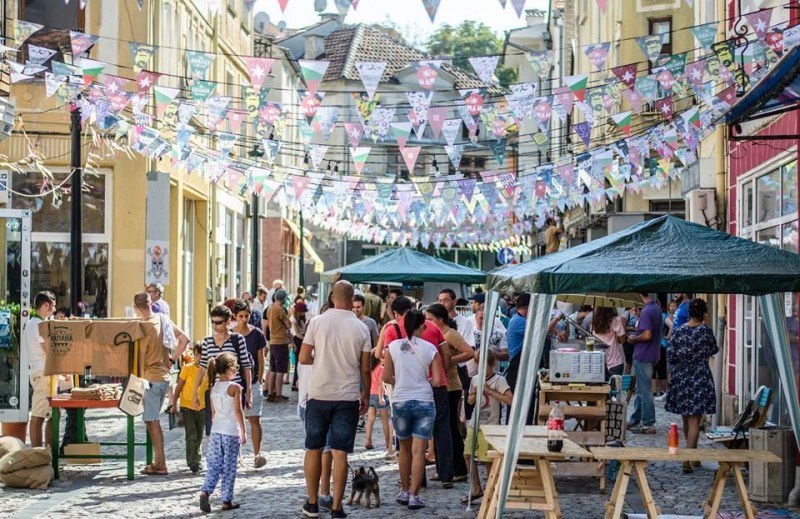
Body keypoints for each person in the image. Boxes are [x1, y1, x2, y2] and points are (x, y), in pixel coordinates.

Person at [299, 280, 372, 519]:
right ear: (352, 300)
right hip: (347, 395)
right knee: (340, 453)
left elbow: (303, 357)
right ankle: (337, 507)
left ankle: (312, 503)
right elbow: (365, 369)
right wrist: (366, 395)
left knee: (313, 448)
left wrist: (320, 361)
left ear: (332, 297)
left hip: (319, 393)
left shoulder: (317, 322)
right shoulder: (361, 328)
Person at [380, 296, 453, 488]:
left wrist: (400, 380)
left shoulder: (392, 332)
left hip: (404, 392)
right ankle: (446, 475)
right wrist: (443, 373)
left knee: (407, 445)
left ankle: (414, 483)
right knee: (441, 431)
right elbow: (446, 355)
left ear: (395, 313)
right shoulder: (432, 328)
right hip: (433, 389)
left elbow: (386, 372)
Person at [135, 291, 190, 476]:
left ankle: (161, 463)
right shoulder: (163, 319)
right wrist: (173, 359)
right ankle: (158, 461)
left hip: (151, 378)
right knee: (153, 420)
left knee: (152, 421)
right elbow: (185, 339)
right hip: (165, 377)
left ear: (136, 308)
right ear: (151, 303)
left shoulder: (142, 327)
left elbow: (138, 357)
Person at [665, 298, 718, 473]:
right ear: (703, 314)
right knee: (695, 419)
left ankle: (692, 456)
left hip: (682, 376)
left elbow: (670, 355)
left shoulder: (679, 331)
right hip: (699, 375)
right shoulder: (705, 331)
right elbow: (713, 350)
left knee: (686, 418)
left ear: (689, 313)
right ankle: (688, 458)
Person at [425, 303, 473, 483]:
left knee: (451, 429)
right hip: (440, 385)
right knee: (441, 428)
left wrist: (448, 360)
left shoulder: (450, 334)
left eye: (430, 319)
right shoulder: (434, 334)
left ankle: (459, 469)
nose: (427, 322)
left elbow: (469, 353)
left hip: (451, 386)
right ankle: (445, 468)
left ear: (440, 319)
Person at [199, 353, 246, 513]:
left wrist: (211, 433)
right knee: (229, 467)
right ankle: (226, 500)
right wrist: (244, 431)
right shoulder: (235, 387)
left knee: (214, 465)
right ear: (231, 369)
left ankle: (205, 490)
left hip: (217, 431)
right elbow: (238, 411)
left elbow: (213, 414)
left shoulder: (213, 388)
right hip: (231, 431)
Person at [464, 349, 512, 504]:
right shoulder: (475, 379)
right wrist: (472, 395)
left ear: (492, 363)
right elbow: (470, 402)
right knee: (467, 454)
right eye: (478, 365)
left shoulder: (499, 380)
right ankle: (477, 487)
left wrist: (490, 392)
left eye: (484, 365)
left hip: (490, 425)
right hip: (475, 423)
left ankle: (492, 490)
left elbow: (510, 400)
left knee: (487, 459)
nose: (481, 369)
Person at [191, 305, 253, 418]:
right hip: (215, 389)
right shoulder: (207, 341)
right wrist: (195, 391)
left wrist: (249, 392)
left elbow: (246, 366)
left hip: (234, 388)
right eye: (213, 322)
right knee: (214, 426)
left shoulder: (238, 339)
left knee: (233, 423)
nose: (215, 325)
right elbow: (202, 368)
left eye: (218, 322)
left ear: (228, 321)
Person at [231, 299, 267, 468]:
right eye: (241, 316)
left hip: (253, 381)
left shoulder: (257, 334)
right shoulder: (231, 335)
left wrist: (260, 378)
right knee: (234, 420)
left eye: (247, 316)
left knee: (254, 419)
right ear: (235, 316)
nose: (244, 319)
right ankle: (237, 455)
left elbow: (261, 358)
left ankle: (257, 454)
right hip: (234, 382)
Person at [627, 293, 662, 435]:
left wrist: (634, 339)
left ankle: (648, 423)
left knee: (645, 390)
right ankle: (636, 418)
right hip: (651, 353)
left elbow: (647, 335)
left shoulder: (647, 311)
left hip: (644, 355)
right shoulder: (656, 309)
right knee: (640, 389)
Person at [24, 291, 56, 448]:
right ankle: (37, 453)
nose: (54, 310)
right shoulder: (39, 325)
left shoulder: (31, 324)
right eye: (53, 306)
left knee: (52, 415)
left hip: (40, 373)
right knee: (38, 416)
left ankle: (48, 453)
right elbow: (48, 350)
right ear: (46, 305)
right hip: (43, 373)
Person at [465, 304, 508, 421]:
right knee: (471, 409)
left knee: (493, 411)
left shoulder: (499, 333)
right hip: (471, 375)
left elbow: (506, 355)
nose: (483, 321)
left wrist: (492, 353)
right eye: (480, 318)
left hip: (492, 378)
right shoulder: (469, 332)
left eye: (486, 318)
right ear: (475, 317)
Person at [171, 342, 209, 473]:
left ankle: (196, 458)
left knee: (199, 434)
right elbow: (179, 386)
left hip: (202, 407)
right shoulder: (187, 368)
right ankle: (193, 461)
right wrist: (174, 402)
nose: (199, 357)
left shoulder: (208, 370)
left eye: (202, 355)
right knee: (191, 434)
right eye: (197, 354)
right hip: (187, 405)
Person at [364, 352, 393, 456]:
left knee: (370, 419)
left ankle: (368, 440)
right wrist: (381, 397)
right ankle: (387, 443)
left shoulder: (371, 369)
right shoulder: (381, 368)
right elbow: (381, 384)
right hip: (379, 395)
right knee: (384, 420)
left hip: (371, 394)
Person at [267, 289, 291, 403]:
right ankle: (279, 395)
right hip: (281, 341)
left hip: (272, 341)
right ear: (283, 299)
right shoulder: (280, 309)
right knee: (280, 370)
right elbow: (288, 324)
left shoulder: (270, 309)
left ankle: (271, 393)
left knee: (273, 369)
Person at [591, 307, 627, 377]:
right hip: (615, 361)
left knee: (600, 387)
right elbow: (622, 340)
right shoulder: (616, 320)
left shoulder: (594, 321)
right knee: (615, 387)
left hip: (598, 361)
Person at [291, 301, 308, 391]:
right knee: (298, 362)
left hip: (302, 338)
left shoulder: (301, 319)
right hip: (298, 340)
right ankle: (295, 382)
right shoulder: (294, 319)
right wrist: (306, 339)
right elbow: (297, 333)